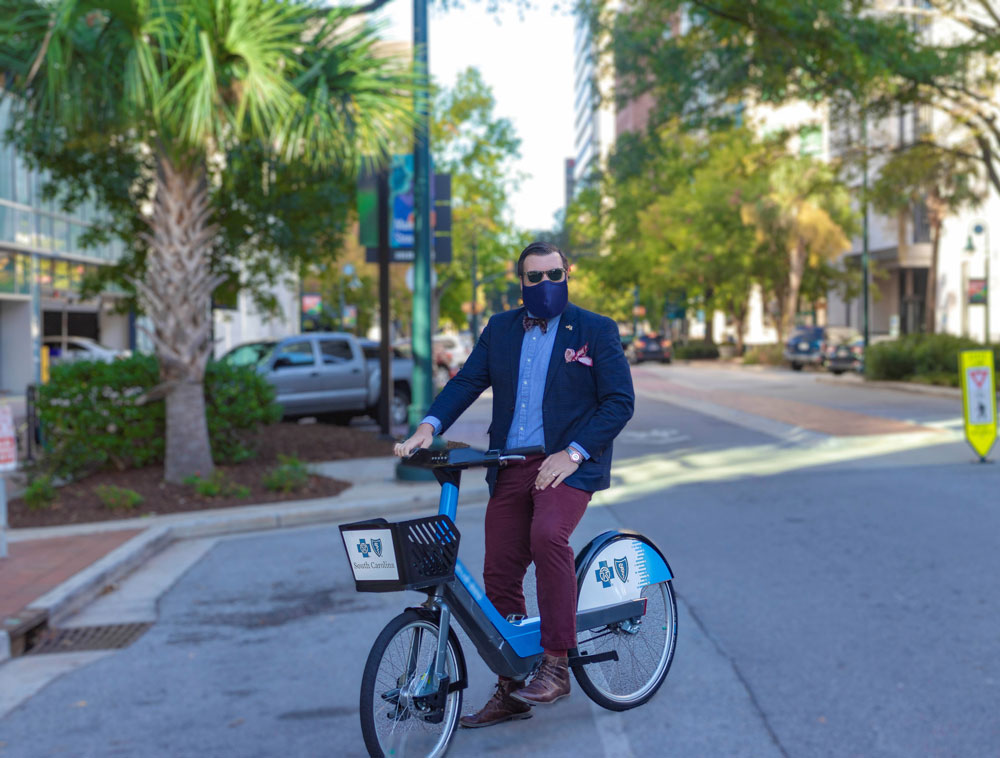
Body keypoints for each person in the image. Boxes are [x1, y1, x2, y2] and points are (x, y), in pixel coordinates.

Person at [394, 240, 635, 727]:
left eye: (554, 275)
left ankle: (557, 664)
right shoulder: (501, 329)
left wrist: (573, 453)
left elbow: (618, 401)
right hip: (511, 465)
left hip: (565, 465)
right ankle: (510, 688)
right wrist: (428, 426)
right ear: (520, 282)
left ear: (566, 274)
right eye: (534, 277)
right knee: (500, 569)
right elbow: (466, 382)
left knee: (548, 536)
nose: (545, 284)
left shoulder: (595, 329)